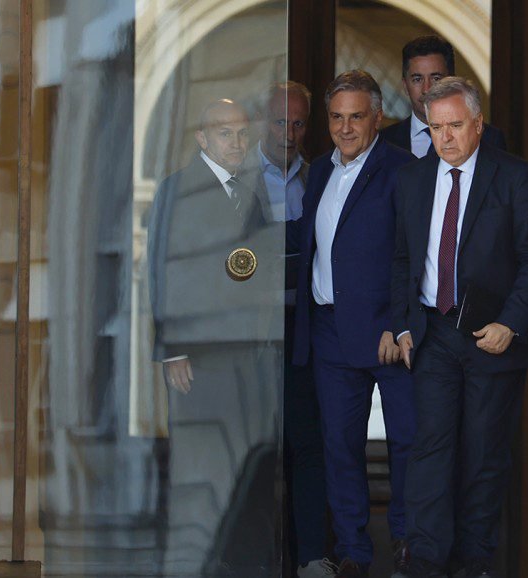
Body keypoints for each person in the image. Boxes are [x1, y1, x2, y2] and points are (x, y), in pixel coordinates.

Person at [391, 77, 528, 577]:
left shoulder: (517, 177)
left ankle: (473, 561)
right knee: (430, 449)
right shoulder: (412, 179)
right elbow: (401, 259)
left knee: (483, 452)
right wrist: (403, 326)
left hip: (491, 334)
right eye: (435, 127)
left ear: (478, 124)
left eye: (455, 126)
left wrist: (511, 323)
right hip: (433, 331)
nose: (445, 138)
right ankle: (425, 558)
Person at [147, 99, 280, 576]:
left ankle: (237, 559)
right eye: (226, 134)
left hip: (245, 351)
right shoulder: (178, 188)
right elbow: (161, 268)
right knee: (200, 461)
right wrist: (173, 349)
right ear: (202, 138)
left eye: (243, 134)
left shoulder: (249, 189)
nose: (237, 143)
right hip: (199, 354)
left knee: (241, 457)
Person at [292, 70, 416, 578]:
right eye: (336, 117)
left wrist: (399, 323)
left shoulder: (403, 169)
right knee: (340, 446)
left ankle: (407, 543)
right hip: (330, 331)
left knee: (407, 442)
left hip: (388, 334)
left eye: (356, 117)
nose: (345, 128)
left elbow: (416, 254)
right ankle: (353, 553)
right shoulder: (319, 170)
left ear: (377, 118)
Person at [246, 82, 331, 577]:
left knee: (308, 445)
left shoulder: (320, 177)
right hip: (250, 334)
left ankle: (311, 557)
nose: (289, 133)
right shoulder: (237, 176)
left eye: (298, 123)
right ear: (264, 121)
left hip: (304, 331)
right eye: (280, 122)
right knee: (254, 450)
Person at [380, 35, 506, 158]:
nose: (426, 89)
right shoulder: (383, 140)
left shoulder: (490, 138)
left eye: (436, 78)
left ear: (452, 81)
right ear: (405, 85)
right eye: (417, 79)